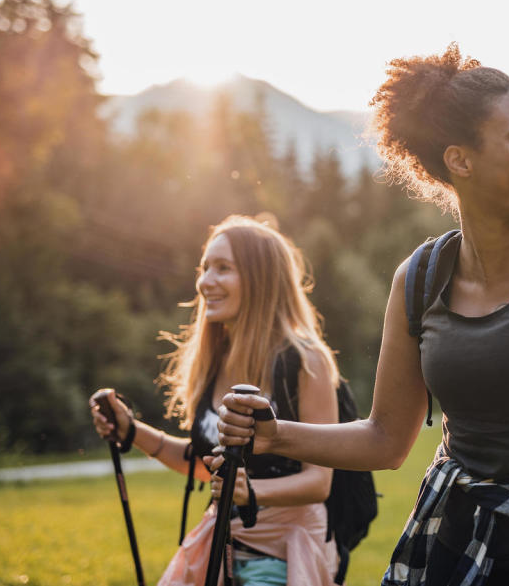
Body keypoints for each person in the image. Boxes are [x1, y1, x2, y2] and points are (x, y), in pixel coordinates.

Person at [217, 45, 509, 586]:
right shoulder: (419, 279)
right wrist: (275, 434)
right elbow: (385, 437)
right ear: (460, 160)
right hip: (455, 536)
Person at [90, 215, 340, 586]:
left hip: (284, 552)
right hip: (220, 541)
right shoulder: (214, 361)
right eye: (205, 268)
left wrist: (251, 491)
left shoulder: (304, 360)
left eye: (223, 268)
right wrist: (131, 431)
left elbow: (319, 482)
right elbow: (205, 462)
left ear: (262, 278)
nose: (206, 281)